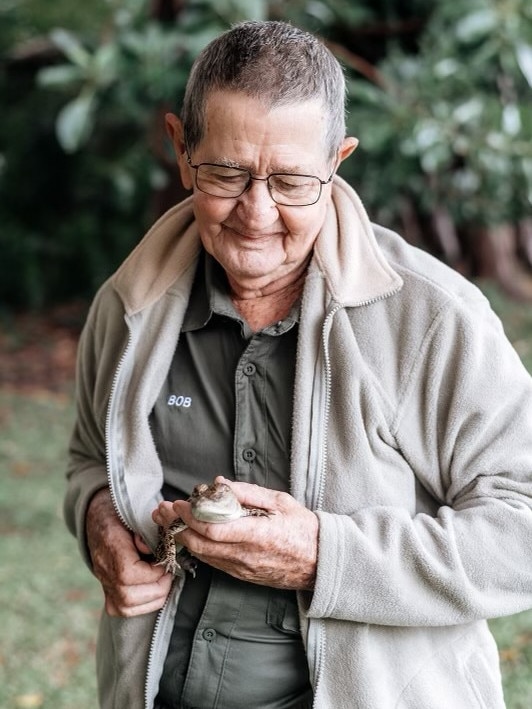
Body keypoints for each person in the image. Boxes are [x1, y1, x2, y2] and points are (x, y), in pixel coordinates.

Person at [64, 19, 532, 709]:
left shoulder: (433, 318)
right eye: (227, 173)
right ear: (181, 150)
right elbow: (87, 457)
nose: (257, 212)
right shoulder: (129, 306)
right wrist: (98, 516)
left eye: (290, 180)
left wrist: (326, 555)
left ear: (337, 161)